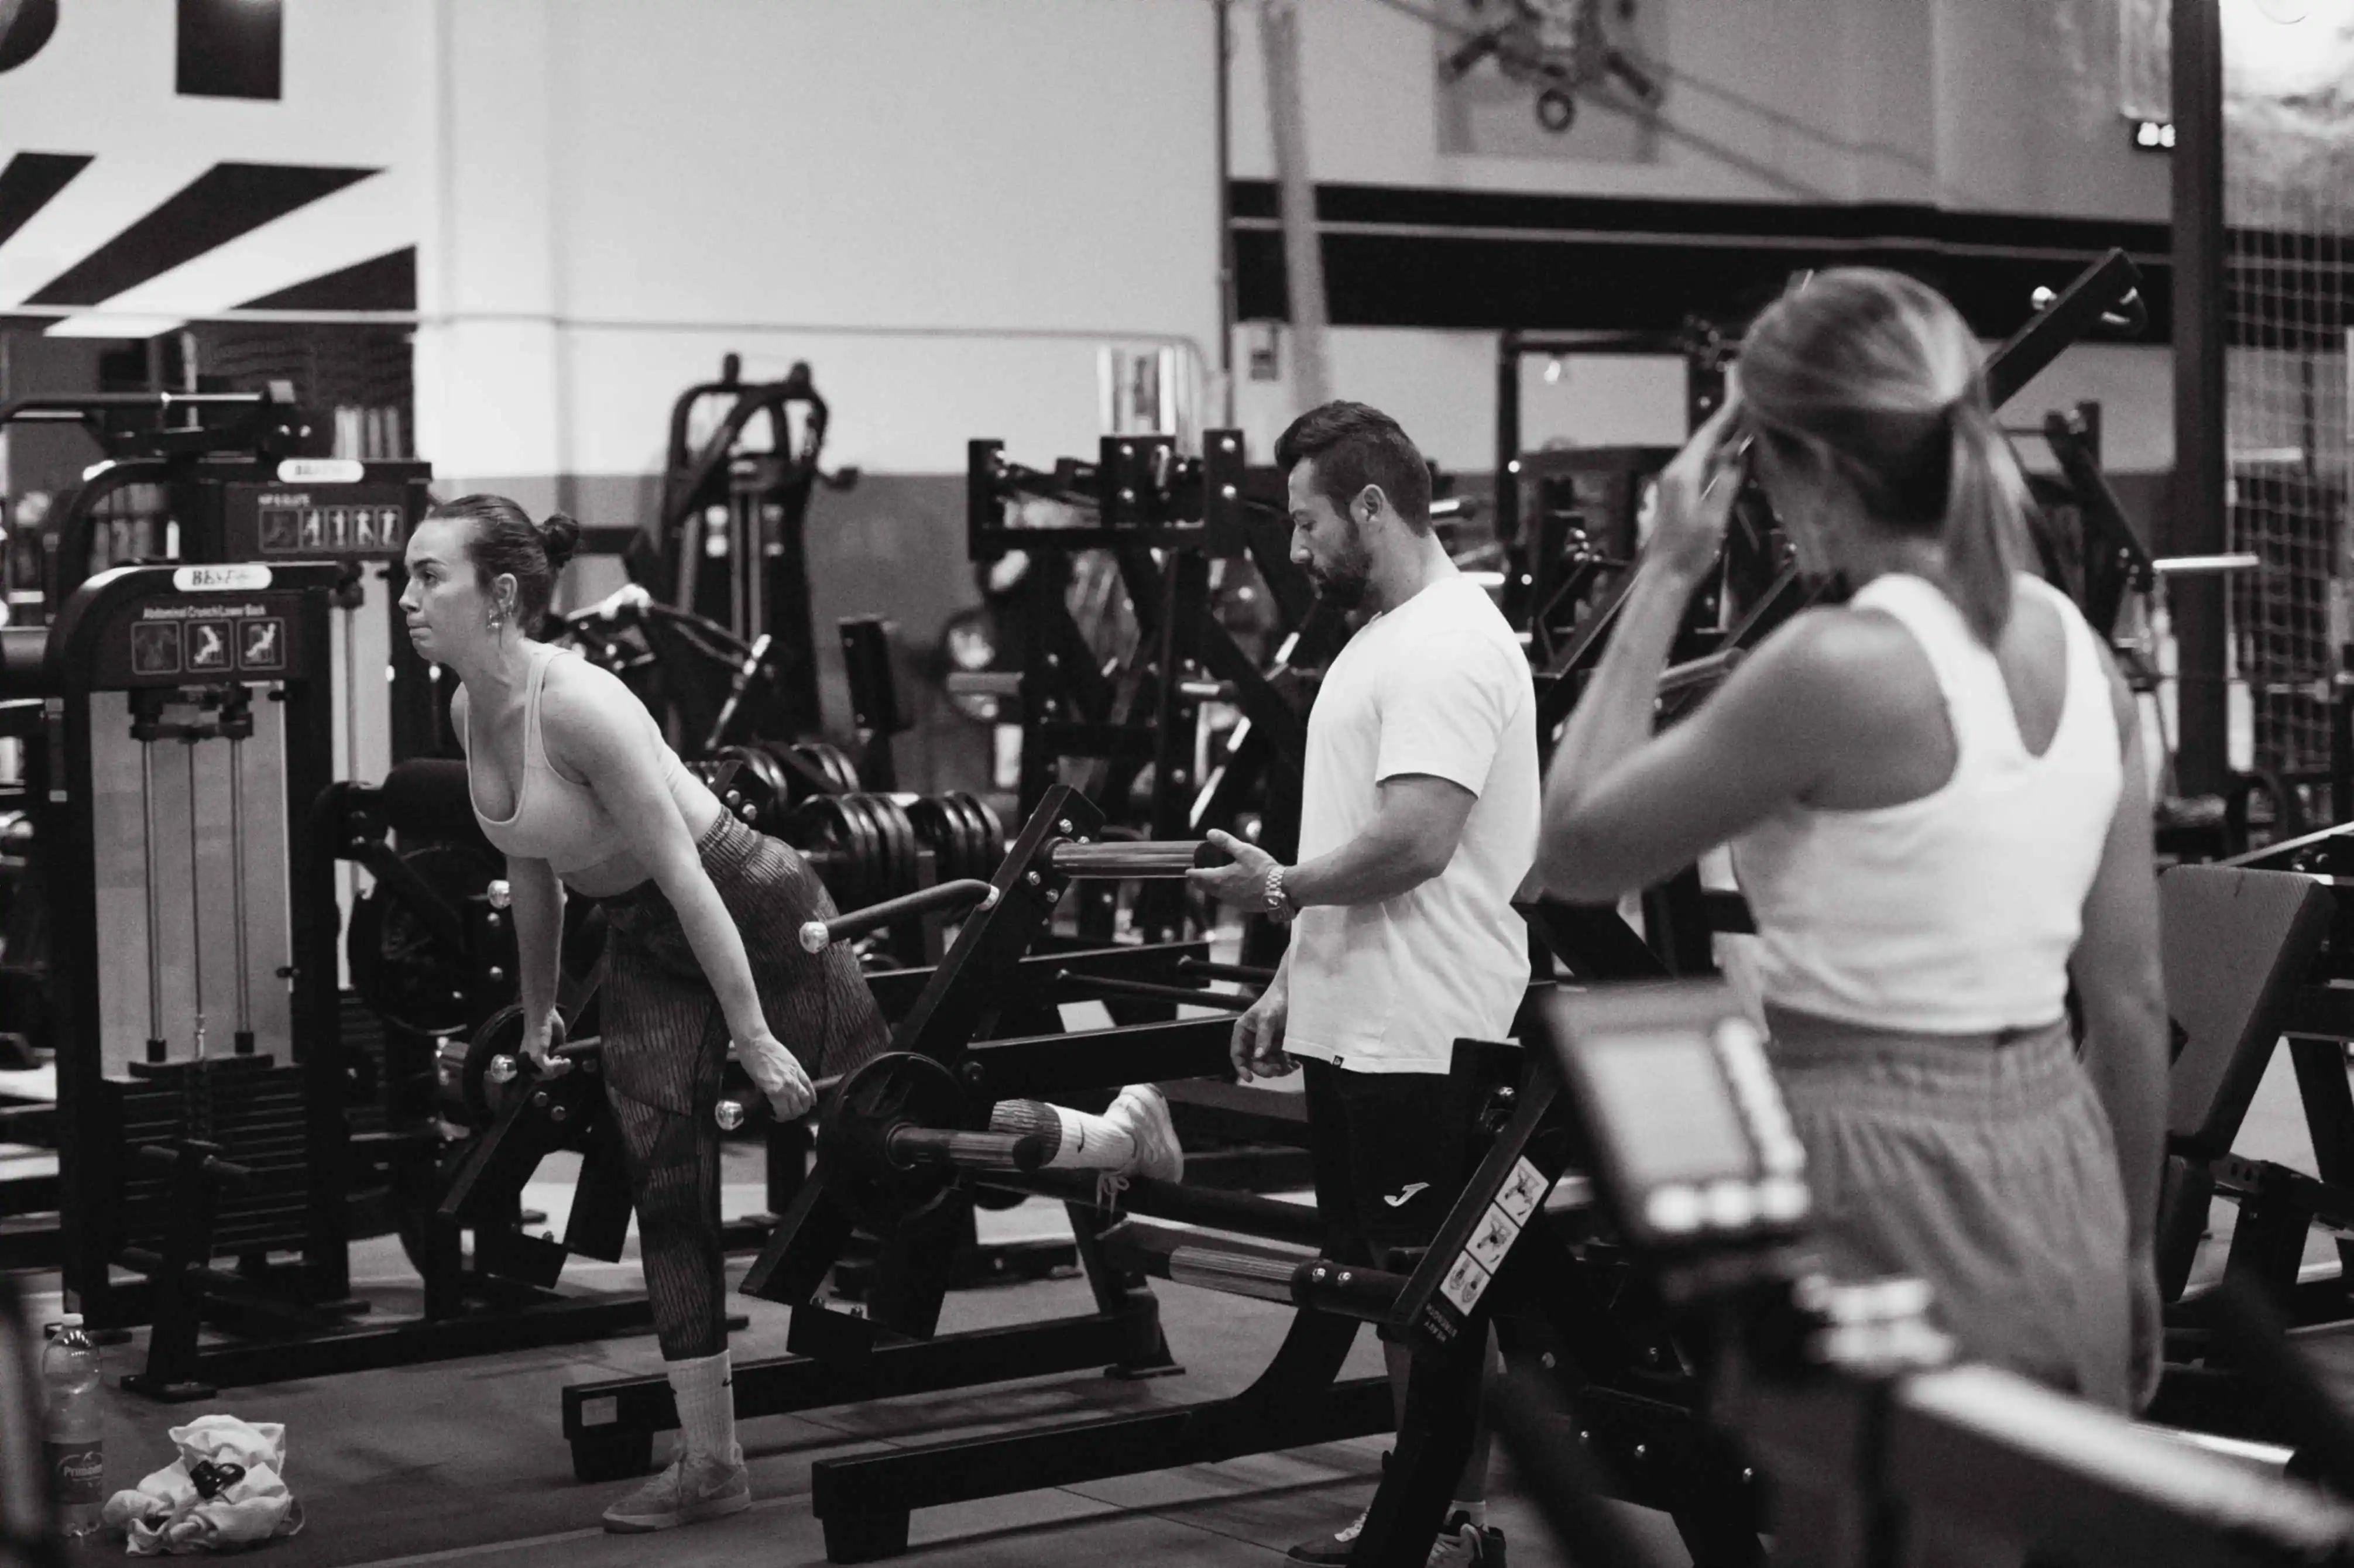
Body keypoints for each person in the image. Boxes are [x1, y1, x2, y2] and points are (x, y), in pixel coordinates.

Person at [399, 496, 1183, 1533]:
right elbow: (532, 874)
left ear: (499, 595)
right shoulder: (468, 709)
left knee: (890, 1131)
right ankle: (710, 1462)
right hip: (648, 940)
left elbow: (691, 876)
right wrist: (539, 1014)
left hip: (753, 906)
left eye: (427, 576)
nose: (407, 597)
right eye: (408, 576)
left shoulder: (582, 704)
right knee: (663, 1180)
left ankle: (1116, 1132)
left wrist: (758, 1034)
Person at [1537, 269, 2166, 1411]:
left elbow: (1571, 856)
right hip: (2063, 1151)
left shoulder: (1835, 668)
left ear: (1805, 470)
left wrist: (1666, 568)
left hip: (1879, 1159)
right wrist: (2128, 1253)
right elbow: (2125, 1007)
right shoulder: (2080, 649)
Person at [1191, 404, 1535, 1568]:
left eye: (1304, 522)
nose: (1293, 550)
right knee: (1391, 1292)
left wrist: (1280, 890)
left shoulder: (1448, 643)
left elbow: (1415, 842)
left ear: (1371, 507)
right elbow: (1351, 833)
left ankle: (1453, 1521)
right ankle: (1423, 1506)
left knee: (1436, 1299)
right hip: (1360, 1019)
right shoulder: (1383, 638)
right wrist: (1292, 975)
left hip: (1426, 1028)